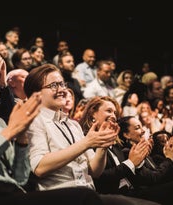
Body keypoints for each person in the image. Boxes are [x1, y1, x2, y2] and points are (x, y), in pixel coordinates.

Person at [0, 52, 104, 205]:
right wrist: (10, 132)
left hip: (12, 194)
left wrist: (21, 139)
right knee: (85, 197)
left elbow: (20, 177)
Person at [23, 63, 160, 205]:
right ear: (36, 93)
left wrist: (102, 146)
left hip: (88, 193)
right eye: (53, 85)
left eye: (62, 84)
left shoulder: (73, 125)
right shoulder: (34, 121)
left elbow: (94, 171)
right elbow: (40, 167)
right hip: (61, 196)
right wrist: (86, 143)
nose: (62, 89)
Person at [79, 97, 173, 205]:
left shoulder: (117, 146)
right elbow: (100, 178)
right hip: (113, 195)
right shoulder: (88, 142)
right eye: (109, 111)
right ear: (93, 114)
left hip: (132, 191)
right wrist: (132, 163)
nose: (113, 115)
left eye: (115, 113)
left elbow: (150, 177)